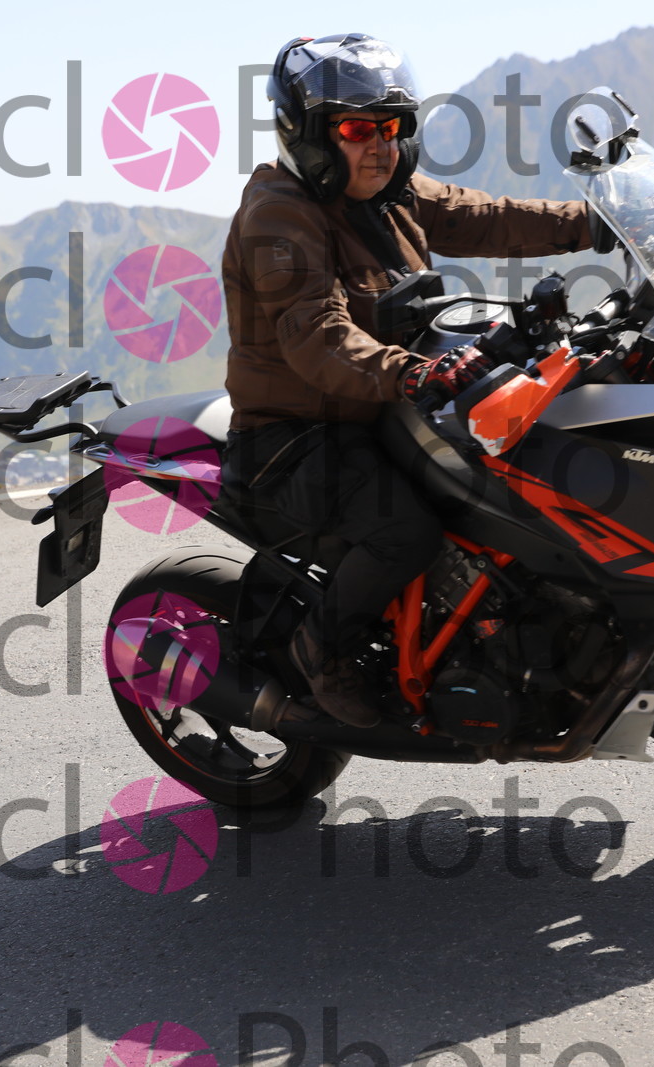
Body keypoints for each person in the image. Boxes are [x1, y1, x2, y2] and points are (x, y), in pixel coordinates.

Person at [220, 33, 597, 728]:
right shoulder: (279, 214)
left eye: (392, 128)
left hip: (387, 409)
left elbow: (486, 217)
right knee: (406, 530)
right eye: (357, 130)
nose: (381, 146)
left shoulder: (386, 194)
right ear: (307, 133)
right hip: (297, 436)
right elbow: (319, 337)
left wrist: (600, 224)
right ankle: (321, 648)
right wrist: (416, 371)